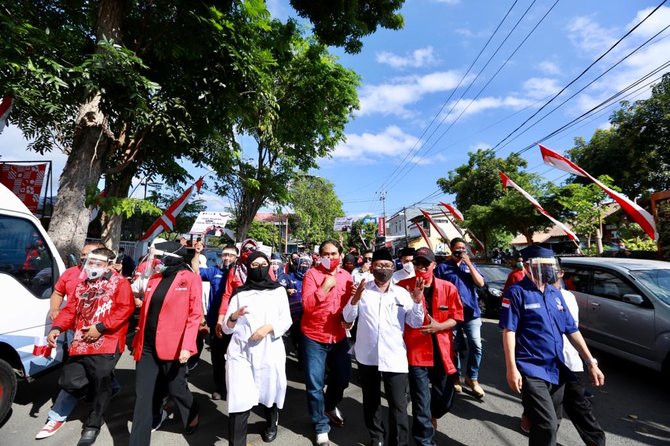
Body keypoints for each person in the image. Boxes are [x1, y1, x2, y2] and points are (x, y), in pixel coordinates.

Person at [499, 245, 605, 446]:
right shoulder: (516, 292)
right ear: (528, 267)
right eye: (544, 266)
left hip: (557, 367)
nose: (549, 270)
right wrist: (511, 368)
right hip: (531, 369)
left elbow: (571, 330)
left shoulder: (555, 293)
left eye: (551, 266)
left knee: (552, 423)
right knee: (546, 423)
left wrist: (591, 362)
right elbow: (509, 331)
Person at [46, 248, 134, 446]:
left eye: (98, 263)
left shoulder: (120, 283)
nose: (92, 266)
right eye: (90, 262)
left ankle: (93, 424)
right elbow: (70, 309)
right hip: (81, 341)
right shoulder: (82, 284)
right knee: (69, 381)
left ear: (110, 264)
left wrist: (101, 327)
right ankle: (103, 393)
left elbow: (125, 308)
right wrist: (57, 327)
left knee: (101, 378)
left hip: (108, 342)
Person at [343, 248, 425, 446]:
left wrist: (417, 302)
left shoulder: (402, 294)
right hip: (367, 355)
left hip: (394, 356)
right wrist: (354, 300)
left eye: (387, 266)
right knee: (371, 401)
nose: (383, 269)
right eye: (379, 265)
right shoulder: (362, 290)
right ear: (371, 268)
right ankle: (376, 438)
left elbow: (415, 322)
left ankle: (398, 443)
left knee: (398, 405)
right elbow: (347, 318)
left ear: (393, 268)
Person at [129, 242, 202, 445]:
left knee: (176, 388)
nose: (155, 261)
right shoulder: (154, 277)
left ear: (169, 256)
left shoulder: (189, 279)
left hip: (176, 346)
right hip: (147, 347)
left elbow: (195, 314)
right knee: (143, 397)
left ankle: (192, 410)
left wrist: (187, 345)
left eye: (157, 256)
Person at [36, 242, 107, 440]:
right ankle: (108, 387)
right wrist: (55, 310)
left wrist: (100, 327)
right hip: (72, 332)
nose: (84, 258)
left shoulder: (109, 278)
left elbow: (121, 308)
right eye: (82, 254)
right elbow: (58, 292)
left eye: (89, 254)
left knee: (86, 372)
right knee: (75, 373)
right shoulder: (70, 273)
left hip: (98, 335)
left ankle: (57, 416)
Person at [223, 251, 293, 445]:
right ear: (248, 268)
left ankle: (271, 422)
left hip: (269, 351)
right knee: (239, 400)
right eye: (255, 265)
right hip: (241, 354)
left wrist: (269, 328)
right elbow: (226, 329)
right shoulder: (239, 294)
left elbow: (286, 320)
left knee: (269, 392)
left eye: (264, 264)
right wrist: (234, 317)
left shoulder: (278, 291)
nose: (260, 268)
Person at [398, 247, 464, 446]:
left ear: (434, 265)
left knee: (444, 398)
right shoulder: (402, 287)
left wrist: (439, 326)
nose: (420, 267)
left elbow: (457, 317)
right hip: (416, 353)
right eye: (417, 263)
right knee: (420, 401)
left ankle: (433, 415)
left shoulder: (447, 287)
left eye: (425, 263)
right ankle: (424, 440)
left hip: (442, 352)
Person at [301, 240, 354, 446]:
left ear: (340, 255)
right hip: (314, 337)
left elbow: (351, 308)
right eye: (325, 254)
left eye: (333, 253)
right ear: (319, 255)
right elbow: (307, 306)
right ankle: (320, 426)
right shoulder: (312, 275)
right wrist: (323, 288)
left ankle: (329, 405)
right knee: (314, 384)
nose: (329, 257)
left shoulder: (347, 277)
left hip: (339, 336)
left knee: (343, 378)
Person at [435, 237, 486, 397]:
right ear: (451, 249)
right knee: (454, 347)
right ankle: (455, 377)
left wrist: (469, 263)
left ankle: (472, 378)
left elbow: (481, 283)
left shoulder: (469, 266)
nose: (461, 250)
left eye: (463, 247)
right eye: (457, 248)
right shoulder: (443, 267)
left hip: (471, 313)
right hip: (451, 314)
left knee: (476, 345)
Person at [191, 244, 238, 400]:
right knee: (217, 357)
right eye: (225, 254)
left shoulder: (241, 274)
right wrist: (197, 253)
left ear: (236, 258)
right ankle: (220, 387)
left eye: (231, 255)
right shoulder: (214, 271)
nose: (227, 258)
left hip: (236, 324)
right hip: (216, 322)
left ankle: (235, 388)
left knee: (235, 358)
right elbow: (196, 271)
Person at [286, 256, 312, 364]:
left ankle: (302, 360)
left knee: (304, 338)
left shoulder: (311, 276)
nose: (304, 266)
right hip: (294, 312)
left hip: (307, 311)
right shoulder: (290, 276)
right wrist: (287, 291)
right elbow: (282, 289)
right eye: (302, 264)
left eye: (307, 264)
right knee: (295, 335)